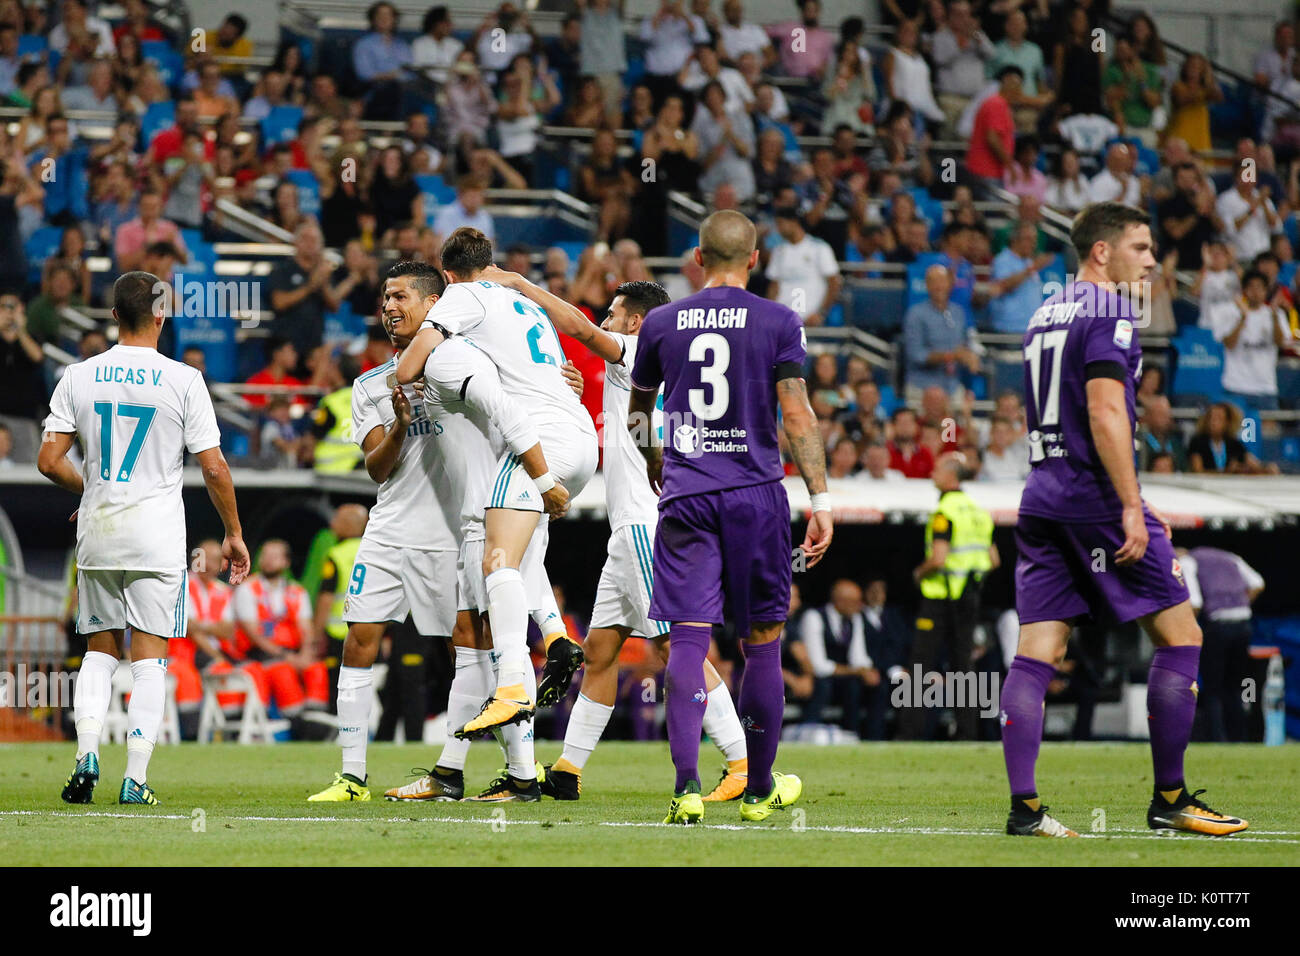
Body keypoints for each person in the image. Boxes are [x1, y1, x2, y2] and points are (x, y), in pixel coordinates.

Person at [1005, 201, 1248, 838]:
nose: (1152, 260)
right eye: (1141, 248)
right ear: (1101, 252)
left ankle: (1025, 811)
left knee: (1036, 653)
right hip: (1093, 498)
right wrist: (1131, 503)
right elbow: (1107, 411)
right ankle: (1170, 798)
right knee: (1182, 636)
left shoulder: (1042, 314)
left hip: (1042, 495)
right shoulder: (1112, 309)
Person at [486, 273, 753, 802]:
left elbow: (583, 331)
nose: (605, 321)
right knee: (602, 650)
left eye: (612, 313)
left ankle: (742, 762)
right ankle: (566, 770)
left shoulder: (638, 345)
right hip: (632, 528)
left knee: (676, 645)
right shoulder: (659, 365)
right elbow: (633, 428)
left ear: (634, 321)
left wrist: (521, 285)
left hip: (644, 525)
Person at [625, 209, 832, 823]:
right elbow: (796, 415)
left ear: (697, 258)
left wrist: (655, 461)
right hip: (755, 495)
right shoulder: (778, 320)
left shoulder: (662, 322)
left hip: (687, 494)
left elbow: (638, 410)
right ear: (756, 258)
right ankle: (759, 788)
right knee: (762, 641)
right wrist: (820, 500)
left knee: (688, 640)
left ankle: (687, 788)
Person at [355, 262, 582, 803]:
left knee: (498, 650)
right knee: (473, 646)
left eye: (400, 296)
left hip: (500, 509)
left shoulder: (460, 356)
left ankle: (520, 775)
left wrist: (546, 476)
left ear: (438, 303)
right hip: (480, 517)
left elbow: (509, 401)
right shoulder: (430, 365)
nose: (389, 306)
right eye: (384, 298)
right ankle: (456, 772)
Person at [38, 271, 250, 806]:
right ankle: (135, 778)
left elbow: (48, 460)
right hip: (156, 538)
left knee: (98, 652)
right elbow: (215, 467)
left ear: (113, 316)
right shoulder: (184, 380)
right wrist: (233, 532)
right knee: (151, 658)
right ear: (163, 315)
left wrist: (92, 491)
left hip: (99, 533)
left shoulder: (78, 375)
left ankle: (87, 752)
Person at [898, 453, 996, 741]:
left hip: (940, 597)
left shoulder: (945, 512)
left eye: (938, 469)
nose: (932, 473)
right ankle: (968, 732)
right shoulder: (978, 511)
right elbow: (994, 559)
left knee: (920, 663)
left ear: (952, 476)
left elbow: (938, 559)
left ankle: (909, 733)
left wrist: (918, 572)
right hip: (969, 596)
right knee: (963, 665)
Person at [1179, 547, 1265, 743]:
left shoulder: (1188, 562)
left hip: (1218, 627)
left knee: (1213, 688)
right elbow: (1258, 583)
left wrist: (1185, 631)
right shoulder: (1230, 557)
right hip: (1244, 625)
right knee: (1235, 687)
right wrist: (1239, 603)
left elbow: (1196, 602)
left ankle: (1217, 738)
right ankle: (1239, 737)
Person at [799, 579, 877, 735]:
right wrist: (856, 671)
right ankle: (809, 732)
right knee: (823, 686)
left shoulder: (855, 619)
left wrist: (866, 671)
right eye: (855, 601)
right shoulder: (814, 617)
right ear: (839, 601)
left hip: (841, 677)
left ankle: (854, 735)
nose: (860, 605)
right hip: (817, 677)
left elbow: (858, 656)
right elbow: (818, 666)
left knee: (858, 686)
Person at [1209, 269, 1289, 411]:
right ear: (1244, 290)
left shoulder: (1276, 314)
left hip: (1265, 388)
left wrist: (1275, 318)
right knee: (1236, 432)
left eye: (1259, 287)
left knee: (1268, 432)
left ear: (1266, 291)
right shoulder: (1231, 313)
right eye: (1251, 287)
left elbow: (1281, 343)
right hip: (1236, 387)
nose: (1255, 292)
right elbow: (1229, 344)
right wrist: (1243, 318)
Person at [903, 264, 978, 403]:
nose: (939, 286)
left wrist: (970, 356)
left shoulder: (958, 312)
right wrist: (949, 356)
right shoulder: (915, 314)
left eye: (942, 281)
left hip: (952, 386)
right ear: (927, 285)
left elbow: (965, 343)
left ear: (950, 284)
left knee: (961, 418)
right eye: (934, 282)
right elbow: (916, 354)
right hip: (922, 388)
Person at [765, 205, 842, 325]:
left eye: (780, 224)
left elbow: (834, 282)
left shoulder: (819, 248)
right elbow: (774, 286)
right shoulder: (778, 251)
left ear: (793, 222)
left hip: (810, 319)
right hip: (783, 321)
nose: (778, 229)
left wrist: (821, 313)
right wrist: (770, 314)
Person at [988, 221, 1053, 334]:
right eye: (1028, 239)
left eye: (1034, 239)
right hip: (1010, 328)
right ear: (1015, 239)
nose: (1033, 244)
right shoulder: (1003, 260)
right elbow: (1004, 285)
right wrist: (1031, 269)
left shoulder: (1028, 262)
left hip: (1032, 328)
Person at [1135, 396, 1187, 473]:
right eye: (1159, 414)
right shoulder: (1138, 441)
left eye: (1167, 414)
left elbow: (1184, 469)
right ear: (1148, 416)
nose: (1165, 418)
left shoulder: (1175, 443)